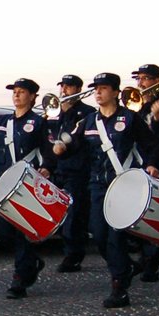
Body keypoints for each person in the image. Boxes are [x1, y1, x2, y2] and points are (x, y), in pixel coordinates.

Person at [55, 72, 159, 308]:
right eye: (96, 88)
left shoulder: (130, 119)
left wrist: (152, 164)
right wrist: (61, 148)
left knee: (115, 236)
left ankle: (119, 286)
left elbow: (154, 144)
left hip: (124, 184)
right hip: (98, 185)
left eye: (103, 88)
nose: (98, 92)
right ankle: (125, 266)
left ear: (116, 92)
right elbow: (72, 144)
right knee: (99, 233)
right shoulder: (88, 122)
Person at [0, 77, 51, 298]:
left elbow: (48, 149)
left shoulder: (39, 122)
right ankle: (32, 261)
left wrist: (46, 168)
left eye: (22, 92)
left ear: (33, 96)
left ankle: (20, 279)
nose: (16, 95)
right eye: (14, 91)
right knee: (5, 232)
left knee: (23, 230)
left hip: (26, 182)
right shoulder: (2, 121)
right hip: (3, 183)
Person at [129, 63, 159, 282]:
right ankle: (143, 254)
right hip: (135, 163)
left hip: (157, 163)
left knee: (151, 211)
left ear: (157, 81)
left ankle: (152, 258)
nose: (141, 83)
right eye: (139, 79)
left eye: (146, 78)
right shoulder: (133, 107)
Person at [48, 75, 93, 272]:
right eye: (62, 86)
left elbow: (80, 140)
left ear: (78, 89)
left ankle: (73, 255)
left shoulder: (86, 113)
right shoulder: (55, 112)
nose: (64, 90)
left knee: (74, 214)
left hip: (77, 170)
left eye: (68, 86)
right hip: (57, 169)